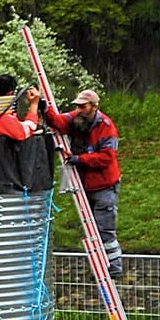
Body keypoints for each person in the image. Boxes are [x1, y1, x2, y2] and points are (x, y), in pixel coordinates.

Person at [44, 89, 124, 279]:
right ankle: (99, 266)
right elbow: (58, 122)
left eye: (82, 106)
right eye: (77, 106)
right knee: (91, 228)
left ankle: (113, 266)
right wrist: (44, 109)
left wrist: (79, 159)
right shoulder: (76, 119)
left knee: (104, 228)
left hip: (104, 186)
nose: (78, 110)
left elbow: (107, 157)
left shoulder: (106, 127)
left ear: (94, 107)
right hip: (85, 185)